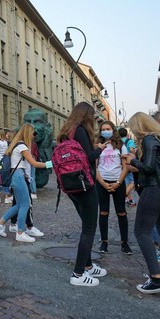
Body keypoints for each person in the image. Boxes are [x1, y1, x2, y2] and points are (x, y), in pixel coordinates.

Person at [122, 112, 160, 294]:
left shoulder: (149, 140)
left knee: (141, 231)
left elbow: (148, 167)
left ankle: (156, 278)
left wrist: (133, 161)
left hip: (154, 190)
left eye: (133, 127)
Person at [57, 103, 107, 286]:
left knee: (87, 223)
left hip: (71, 185)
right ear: (87, 116)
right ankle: (78, 274)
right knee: (89, 228)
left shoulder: (66, 132)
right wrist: (100, 148)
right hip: (85, 184)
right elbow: (89, 156)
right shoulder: (80, 131)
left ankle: (87, 266)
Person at [0, 124, 52, 243]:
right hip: (18, 176)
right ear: (27, 133)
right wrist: (51, 164)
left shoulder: (16, 144)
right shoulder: (22, 146)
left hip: (16, 176)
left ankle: (0, 223)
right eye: (32, 133)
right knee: (25, 204)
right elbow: (34, 163)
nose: (33, 136)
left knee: (19, 204)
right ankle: (20, 232)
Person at [94, 121, 133, 255]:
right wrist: (103, 183)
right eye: (103, 129)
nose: (105, 131)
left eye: (108, 128)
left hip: (118, 181)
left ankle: (125, 243)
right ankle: (104, 242)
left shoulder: (121, 146)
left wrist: (118, 182)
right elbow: (95, 167)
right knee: (103, 212)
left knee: (121, 212)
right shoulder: (98, 146)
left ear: (113, 130)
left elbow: (125, 166)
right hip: (102, 182)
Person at [118, 128, 137, 207]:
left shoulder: (118, 142)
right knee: (134, 181)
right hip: (129, 163)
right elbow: (131, 150)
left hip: (120, 163)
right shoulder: (129, 141)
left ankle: (129, 199)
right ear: (126, 134)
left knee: (126, 182)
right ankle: (123, 196)